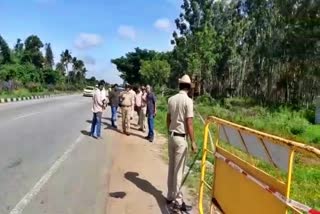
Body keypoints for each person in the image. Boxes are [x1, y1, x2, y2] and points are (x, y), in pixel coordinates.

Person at [166, 74, 197, 212]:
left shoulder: (171, 99)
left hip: (172, 136)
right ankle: (178, 202)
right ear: (188, 87)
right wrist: (193, 142)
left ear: (179, 85)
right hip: (181, 138)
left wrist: (169, 131)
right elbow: (189, 122)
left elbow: (168, 118)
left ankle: (170, 195)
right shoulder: (188, 101)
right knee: (179, 171)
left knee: (172, 168)